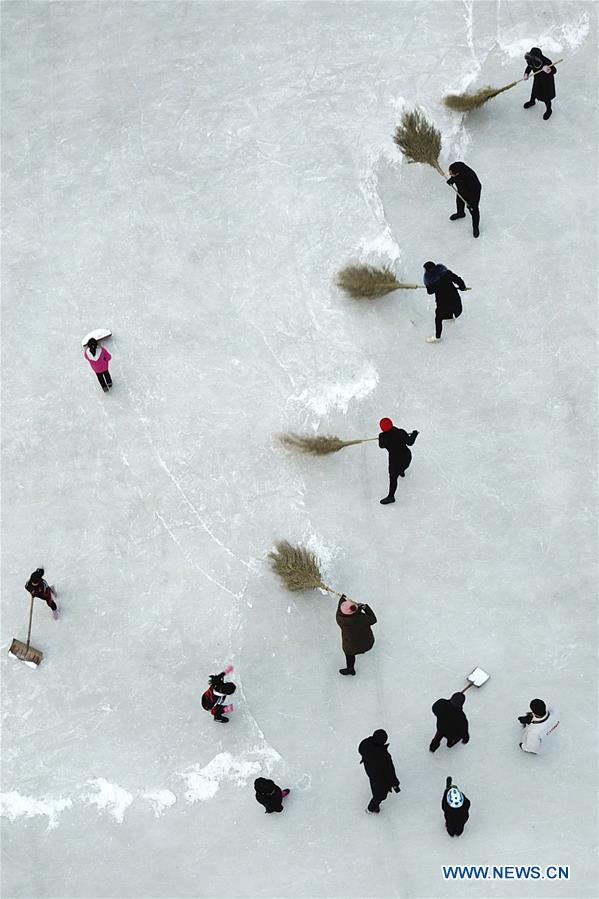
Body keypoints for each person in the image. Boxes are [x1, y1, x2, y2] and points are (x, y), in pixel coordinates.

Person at [423, 261, 467, 343]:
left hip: (442, 301)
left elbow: (429, 291)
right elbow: (457, 279)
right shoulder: (446, 273)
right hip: (454, 297)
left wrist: (429, 286)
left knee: (438, 318)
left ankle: (437, 337)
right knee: (452, 307)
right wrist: (462, 287)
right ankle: (450, 317)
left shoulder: (431, 280)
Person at [358, 729, 401, 814]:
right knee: (380, 795)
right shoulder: (384, 756)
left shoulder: (366, 744)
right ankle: (371, 809)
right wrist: (395, 784)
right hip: (380, 777)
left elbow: (360, 749)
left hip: (370, 771)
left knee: (374, 786)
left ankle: (375, 806)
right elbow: (390, 772)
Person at [378, 418, 418, 504]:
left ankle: (391, 497)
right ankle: (401, 471)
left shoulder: (382, 436)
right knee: (402, 467)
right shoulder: (400, 432)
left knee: (393, 478)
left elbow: (381, 446)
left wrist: (380, 438)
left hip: (395, 461)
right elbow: (410, 442)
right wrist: (414, 434)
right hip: (406, 458)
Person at [336, 595, 377, 675]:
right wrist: (365, 608)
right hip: (367, 643)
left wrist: (342, 598)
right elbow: (373, 619)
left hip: (351, 647)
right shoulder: (362, 618)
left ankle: (350, 669)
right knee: (361, 645)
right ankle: (363, 651)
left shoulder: (340, 619)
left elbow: (340, 608)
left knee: (349, 654)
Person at [446, 161, 481, 238]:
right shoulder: (457, 168)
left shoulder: (470, 177)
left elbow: (475, 191)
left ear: (457, 173)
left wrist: (472, 203)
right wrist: (451, 180)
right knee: (459, 202)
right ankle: (461, 213)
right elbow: (455, 177)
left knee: (474, 210)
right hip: (462, 189)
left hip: (473, 193)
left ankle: (475, 227)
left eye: (451, 173)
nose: (449, 174)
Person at [523, 48, 557, 120]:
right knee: (534, 92)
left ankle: (549, 110)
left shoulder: (546, 61)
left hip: (546, 82)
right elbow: (529, 67)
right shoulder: (531, 60)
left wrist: (548, 69)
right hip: (537, 80)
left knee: (546, 97)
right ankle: (532, 101)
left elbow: (554, 70)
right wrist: (526, 73)